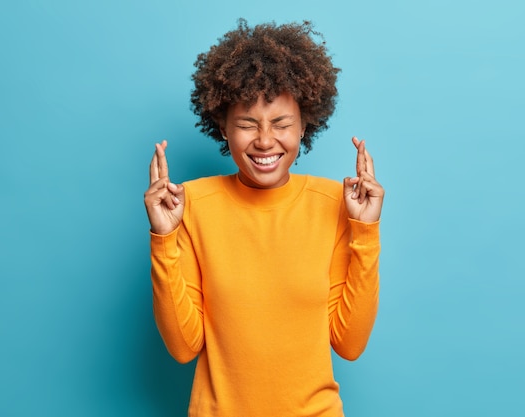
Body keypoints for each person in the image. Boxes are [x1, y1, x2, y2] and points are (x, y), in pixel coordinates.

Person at [144, 19, 384, 417]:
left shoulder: (334, 203)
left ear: (305, 124)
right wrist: (163, 237)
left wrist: (365, 230)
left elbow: (349, 343)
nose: (265, 140)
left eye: (281, 124)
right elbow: (183, 348)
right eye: (247, 124)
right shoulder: (191, 206)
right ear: (222, 126)